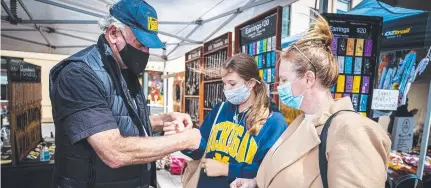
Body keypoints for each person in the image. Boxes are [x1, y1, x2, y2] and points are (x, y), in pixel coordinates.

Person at [49, 0, 201, 187]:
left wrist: (165, 119)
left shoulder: (123, 70)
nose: (145, 52)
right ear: (113, 33)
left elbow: (123, 122)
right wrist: (184, 140)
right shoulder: (79, 74)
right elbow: (114, 151)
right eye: (139, 45)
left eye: (148, 46)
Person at [231, 13, 391, 188]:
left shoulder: (351, 130)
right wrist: (255, 183)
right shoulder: (302, 121)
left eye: (284, 80)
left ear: (308, 79)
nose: (279, 86)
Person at [182, 54, 288, 188]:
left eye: (232, 84)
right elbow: (200, 149)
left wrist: (226, 169)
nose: (226, 89)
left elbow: (268, 170)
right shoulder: (219, 110)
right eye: (224, 83)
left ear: (251, 83)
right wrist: (185, 139)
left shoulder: (273, 121)